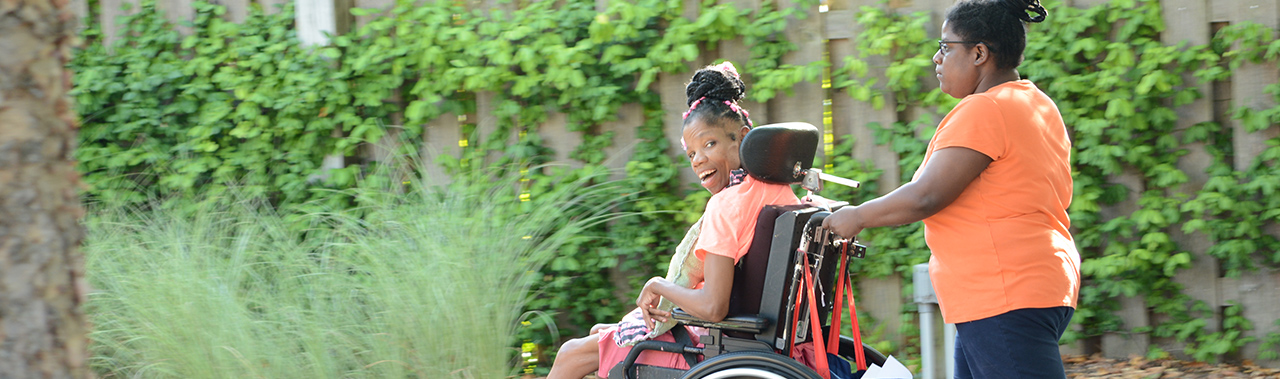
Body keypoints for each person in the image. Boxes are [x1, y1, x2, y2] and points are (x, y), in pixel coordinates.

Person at [820, 0, 1081, 378]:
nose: (936, 58)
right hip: (1024, 286)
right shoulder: (1035, 102)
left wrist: (857, 216)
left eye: (945, 47)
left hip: (1004, 292)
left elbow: (928, 195)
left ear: (979, 53)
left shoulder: (985, 110)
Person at [547, 62, 801, 379]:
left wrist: (657, 284)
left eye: (709, 144)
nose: (699, 160)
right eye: (691, 153)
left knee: (571, 354)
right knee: (600, 332)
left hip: (719, 345)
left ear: (742, 138)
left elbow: (713, 307)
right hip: (763, 338)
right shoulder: (781, 192)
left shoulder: (727, 205)